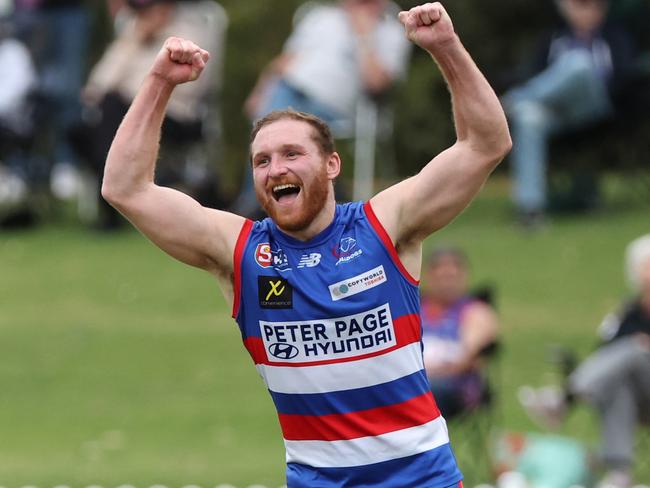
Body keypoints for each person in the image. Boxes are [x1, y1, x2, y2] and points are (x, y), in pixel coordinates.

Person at [101, 2, 511, 485]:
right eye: (262, 161)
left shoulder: (385, 226)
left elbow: (486, 143)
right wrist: (159, 82)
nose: (275, 169)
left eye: (292, 154)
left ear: (332, 166)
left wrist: (445, 47)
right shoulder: (241, 253)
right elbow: (124, 188)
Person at [233, 0, 412, 217]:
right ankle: (261, 204)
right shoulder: (320, 17)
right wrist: (261, 89)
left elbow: (376, 82)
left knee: (274, 128)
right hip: (288, 88)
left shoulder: (391, 30)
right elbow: (287, 60)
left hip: (332, 107)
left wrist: (364, 35)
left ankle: (253, 208)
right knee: (267, 126)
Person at [71, 0, 226, 229]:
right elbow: (96, 87)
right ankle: (118, 196)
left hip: (175, 114)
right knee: (77, 130)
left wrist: (141, 94)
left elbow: (192, 88)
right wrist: (134, 41)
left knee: (109, 111)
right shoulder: (133, 33)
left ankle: (112, 203)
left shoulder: (192, 30)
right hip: (123, 115)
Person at [519, 234, 650, 488]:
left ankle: (563, 398)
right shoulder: (628, 312)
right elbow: (606, 353)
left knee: (635, 348)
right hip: (640, 399)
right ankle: (620, 474)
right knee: (618, 381)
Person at [502, 0, 636, 227]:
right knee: (528, 119)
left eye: (593, 5)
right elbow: (535, 74)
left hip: (597, 107)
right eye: (579, 4)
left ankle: (509, 103)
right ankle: (531, 210)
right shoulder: (553, 38)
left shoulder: (614, 37)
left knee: (578, 63)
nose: (587, 10)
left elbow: (625, 78)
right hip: (558, 111)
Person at [420, 247, 499, 419]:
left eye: (452, 276)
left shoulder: (475, 311)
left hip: (455, 388)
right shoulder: (412, 309)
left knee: (424, 391)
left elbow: (469, 358)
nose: (447, 283)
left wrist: (431, 372)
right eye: (442, 276)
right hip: (414, 381)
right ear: (428, 277)